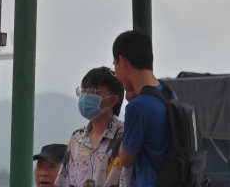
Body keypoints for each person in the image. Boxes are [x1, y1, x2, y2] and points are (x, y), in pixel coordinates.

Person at [56, 66, 128, 187]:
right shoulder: (77, 138)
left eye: (93, 91)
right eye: (83, 91)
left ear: (113, 100)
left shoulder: (125, 136)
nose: (85, 96)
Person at [112, 30, 167, 187]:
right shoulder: (167, 92)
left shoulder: (138, 107)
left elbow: (126, 160)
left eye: (115, 65)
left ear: (122, 61)